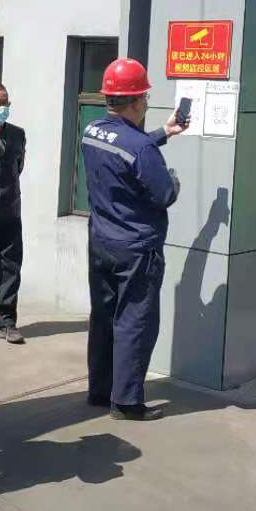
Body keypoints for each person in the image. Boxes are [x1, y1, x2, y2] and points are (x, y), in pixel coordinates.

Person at [80, 57, 188, 421]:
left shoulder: (92, 131)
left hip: (102, 241)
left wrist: (164, 132)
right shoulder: (141, 148)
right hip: (136, 248)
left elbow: (125, 148)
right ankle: (126, 401)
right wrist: (174, 182)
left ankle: (100, 390)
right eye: (144, 97)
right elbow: (164, 193)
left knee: (104, 316)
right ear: (137, 101)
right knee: (135, 322)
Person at [0, 83, 27, 344]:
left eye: (5, 103)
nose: (2, 108)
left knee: (11, 267)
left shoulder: (17, 134)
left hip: (10, 212)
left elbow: (18, 167)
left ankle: (7, 322)